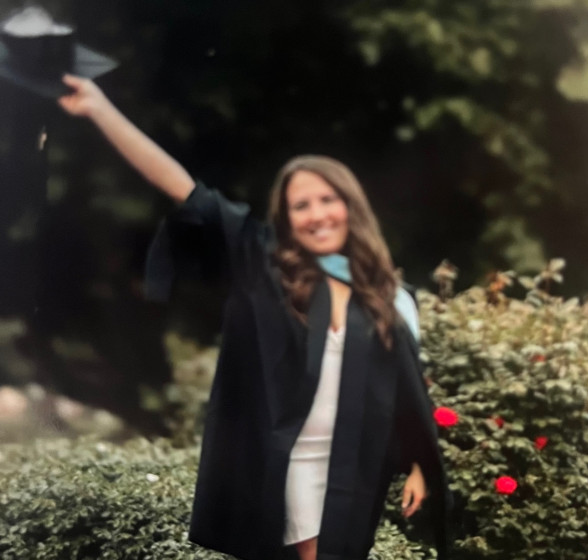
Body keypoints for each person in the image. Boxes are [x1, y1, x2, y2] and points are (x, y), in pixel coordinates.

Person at [58, 74, 450, 560]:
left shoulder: (386, 296)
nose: (317, 214)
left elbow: (407, 389)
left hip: (354, 469)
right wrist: (100, 109)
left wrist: (418, 463)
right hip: (290, 460)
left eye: (328, 200)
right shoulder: (266, 266)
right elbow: (186, 191)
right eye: (301, 205)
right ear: (287, 219)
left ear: (350, 207)